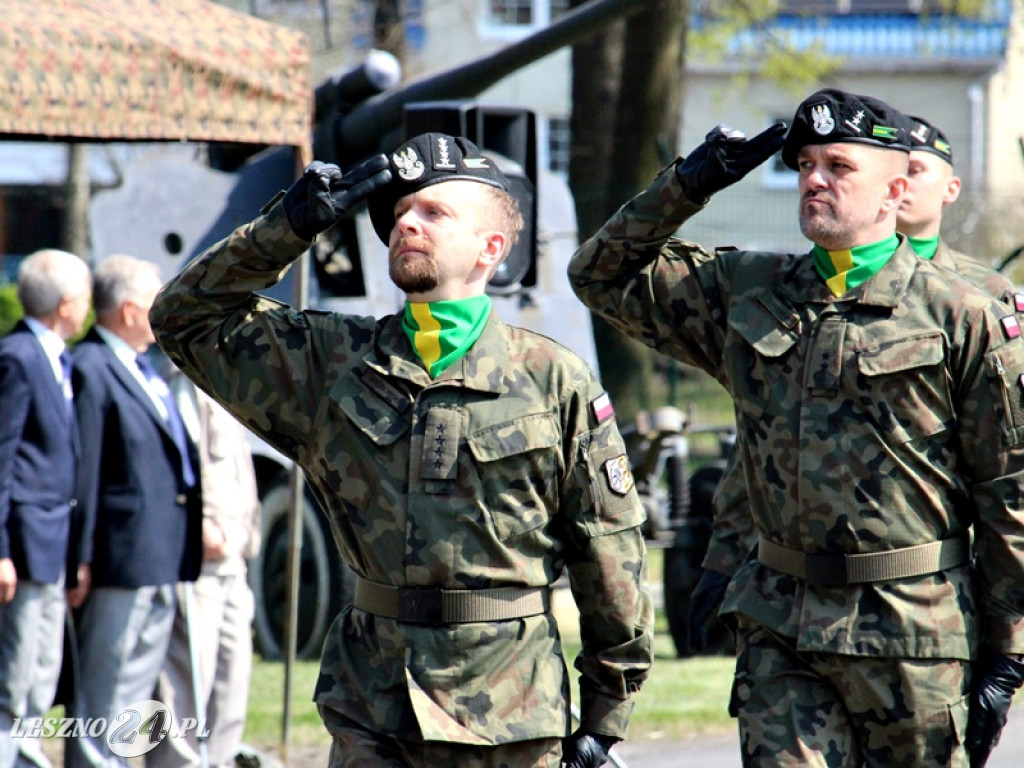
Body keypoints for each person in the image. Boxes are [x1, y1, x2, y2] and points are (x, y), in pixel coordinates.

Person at [149, 133, 653, 768]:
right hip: (372, 710)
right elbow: (183, 318)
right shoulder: (330, 363)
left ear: (489, 248)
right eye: (400, 213)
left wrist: (605, 717)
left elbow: (608, 550)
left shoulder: (554, 380)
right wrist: (286, 227)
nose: (406, 221)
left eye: (434, 212)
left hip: (510, 715)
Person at [568, 88, 1024, 767]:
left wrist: (1005, 653)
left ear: (895, 189)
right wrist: (687, 186)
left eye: (838, 166)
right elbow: (599, 276)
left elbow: (1007, 490)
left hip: (914, 630)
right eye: (806, 164)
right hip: (781, 624)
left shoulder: (963, 313)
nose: (814, 179)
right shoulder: (748, 289)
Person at [686, 112, 1024, 658]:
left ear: (944, 187)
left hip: (920, 603)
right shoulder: (790, 287)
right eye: (806, 166)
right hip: (791, 603)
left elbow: (1004, 472)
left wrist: (1006, 633)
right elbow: (765, 450)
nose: (818, 180)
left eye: (918, 169)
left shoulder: (978, 302)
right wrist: (723, 560)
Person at [66, 255, 202, 768]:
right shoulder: (91, 368)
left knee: (133, 690)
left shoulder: (143, 367)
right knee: (105, 690)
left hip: (160, 553)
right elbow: (86, 473)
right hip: (118, 559)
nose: (161, 311)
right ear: (127, 310)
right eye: (154, 301)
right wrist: (79, 558)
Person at [0, 249, 91, 768]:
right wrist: (2, 551)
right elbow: (3, 459)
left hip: (53, 543)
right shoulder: (18, 357)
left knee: (42, 666)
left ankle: (27, 755)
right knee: (15, 673)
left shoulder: (55, 357)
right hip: (26, 545)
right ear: (65, 302)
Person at [150, 363, 262, 768]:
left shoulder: (221, 376)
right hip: (201, 558)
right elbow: (177, 461)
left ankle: (218, 760)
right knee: (186, 684)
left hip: (234, 554)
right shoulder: (181, 376)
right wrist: (200, 525)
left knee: (232, 678)